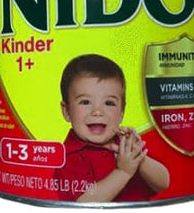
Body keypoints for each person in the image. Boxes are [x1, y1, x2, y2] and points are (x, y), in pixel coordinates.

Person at [54, 54, 170, 203]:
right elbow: (83, 203)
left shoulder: (125, 144)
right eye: (85, 102)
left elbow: (163, 183)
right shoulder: (66, 156)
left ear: (121, 112)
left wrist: (139, 158)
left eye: (109, 103)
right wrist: (123, 172)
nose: (97, 111)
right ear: (67, 111)